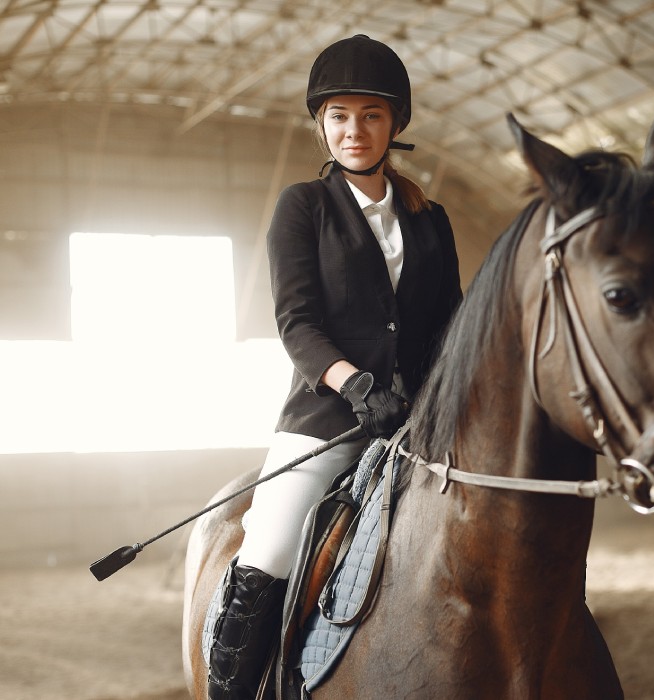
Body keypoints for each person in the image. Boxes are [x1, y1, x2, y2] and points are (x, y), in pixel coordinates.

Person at [206, 35, 463, 700]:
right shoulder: (303, 208)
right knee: (270, 542)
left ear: (394, 125)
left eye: (371, 115)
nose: (355, 129)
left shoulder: (430, 220)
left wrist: (436, 394)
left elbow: (450, 321)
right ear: (322, 123)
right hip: (329, 416)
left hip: (421, 422)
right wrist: (355, 383)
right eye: (341, 116)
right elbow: (296, 322)